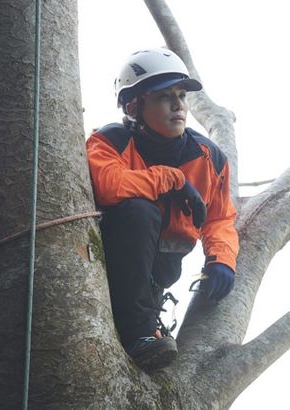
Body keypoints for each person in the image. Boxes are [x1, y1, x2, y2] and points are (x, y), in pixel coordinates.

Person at [86, 48, 239, 371]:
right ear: (133, 105)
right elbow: (109, 186)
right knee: (141, 210)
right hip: (111, 260)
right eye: (164, 97)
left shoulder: (209, 157)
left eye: (181, 95)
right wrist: (173, 179)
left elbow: (220, 218)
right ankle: (139, 332)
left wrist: (221, 259)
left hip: (160, 273)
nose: (178, 105)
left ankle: (143, 323)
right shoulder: (109, 141)